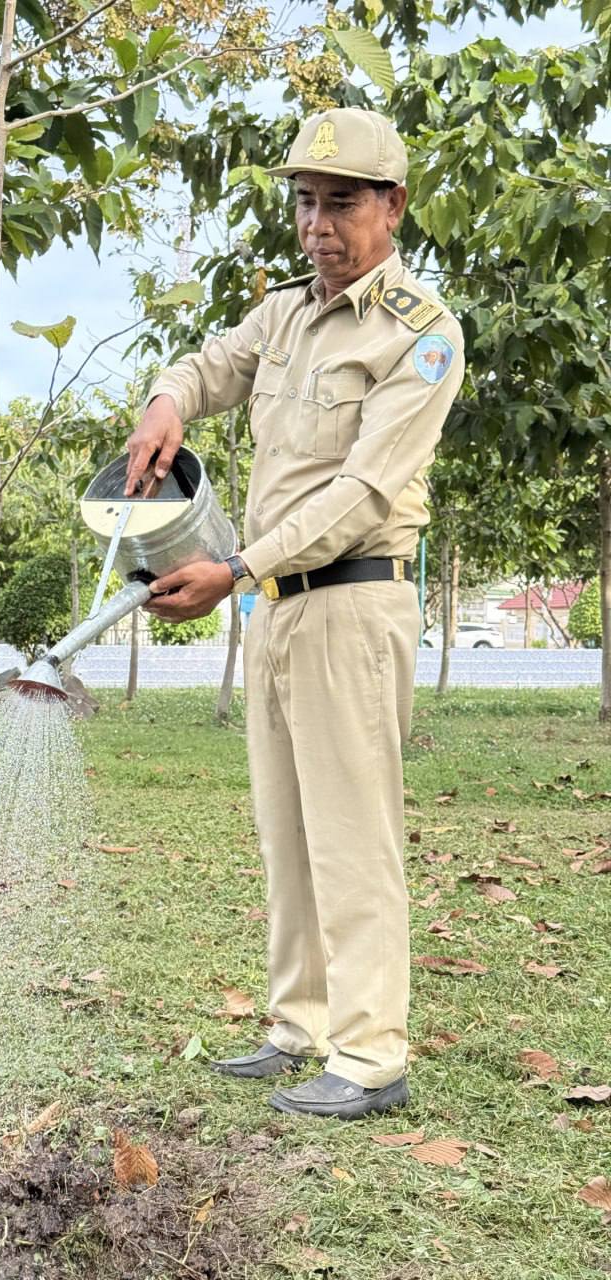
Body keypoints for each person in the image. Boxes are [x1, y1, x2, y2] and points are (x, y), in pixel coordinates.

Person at [124, 107, 464, 1121]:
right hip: (273, 604)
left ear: (393, 207)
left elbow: (362, 494)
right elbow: (207, 367)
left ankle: (371, 1054)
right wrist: (166, 400)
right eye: (306, 203)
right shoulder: (283, 316)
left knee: (353, 834)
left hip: (352, 601)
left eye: (341, 203)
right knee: (288, 831)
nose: (318, 225)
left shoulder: (421, 334)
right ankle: (299, 1025)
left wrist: (234, 568)